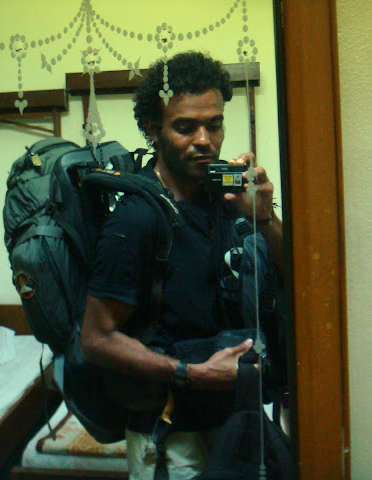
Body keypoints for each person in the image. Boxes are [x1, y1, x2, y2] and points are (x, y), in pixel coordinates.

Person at [80, 51, 283, 480]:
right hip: (168, 434)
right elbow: (96, 339)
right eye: (185, 127)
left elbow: (295, 278)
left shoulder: (228, 198)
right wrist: (194, 374)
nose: (204, 140)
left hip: (234, 419)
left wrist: (264, 218)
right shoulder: (136, 217)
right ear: (153, 129)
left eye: (214, 124)